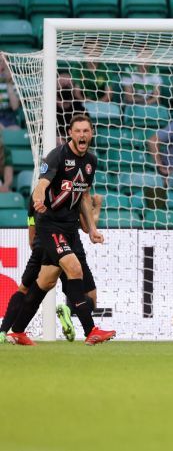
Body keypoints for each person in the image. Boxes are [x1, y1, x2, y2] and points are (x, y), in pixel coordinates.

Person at [5, 116, 116, 346]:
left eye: (86, 130)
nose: (82, 135)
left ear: (91, 133)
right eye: (78, 131)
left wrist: (92, 229)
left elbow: (84, 196)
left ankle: (16, 331)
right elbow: (42, 186)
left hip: (71, 229)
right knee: (74, 268)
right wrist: (37, 201)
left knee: (45, 282)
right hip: (50, 226)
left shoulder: (91, 162)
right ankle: (90, 330)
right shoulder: (57, 156)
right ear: (70, 133)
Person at [0, 193, 105, 343]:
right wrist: (98, 207)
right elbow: (86, 226)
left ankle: (4, 331)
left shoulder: (35, 195)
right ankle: (70, 311)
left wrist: (36, 247)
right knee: (89, 297)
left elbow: (31, 223)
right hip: (68, 246)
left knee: (28, 287)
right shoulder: (72, 194)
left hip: (41, 245)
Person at [0, 58, 21, 128]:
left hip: (8, 116)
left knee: (16, 130)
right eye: (0, 61)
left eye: (4, 61)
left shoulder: (13, 81)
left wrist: (9, 82)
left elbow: (15, 107)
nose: (2, 64)